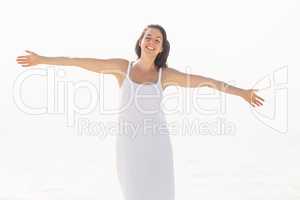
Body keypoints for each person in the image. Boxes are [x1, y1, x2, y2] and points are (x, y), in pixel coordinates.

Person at [16, 24, 264, 200]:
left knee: (162, 195)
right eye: (148, 36)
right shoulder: (120, 68)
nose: (151, 41)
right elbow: (78, 61)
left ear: (161, 48)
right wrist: (42, 59)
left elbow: (206, 81)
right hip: (129, 148)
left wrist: (242, 93)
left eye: (157, 40)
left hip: (157, 147)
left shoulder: (164, 75)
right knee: (134, 193)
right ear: (140, 41)